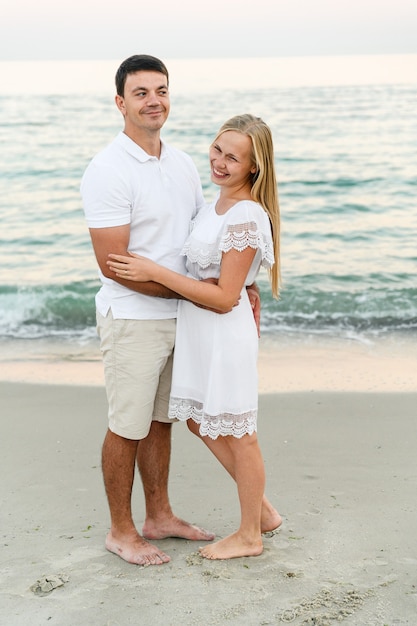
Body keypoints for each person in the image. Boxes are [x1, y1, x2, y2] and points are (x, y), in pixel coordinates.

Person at [107, 113, 282, 560]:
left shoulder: (246, 213)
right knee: (199, 419)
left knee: (240, 432)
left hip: (224, 332)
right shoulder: (214, 206)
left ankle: (249, 535)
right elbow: (223, 274)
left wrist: (153, 271)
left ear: (254, 167)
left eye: (233, 158)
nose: (220, 162)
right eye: (217, 150)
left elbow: (224, 297)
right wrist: (245, 281)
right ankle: (260, 510)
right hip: (198, 331)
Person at [80, 54, 220, 566]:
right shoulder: (108, 169)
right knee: (127, 424)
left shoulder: (182, 162)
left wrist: (231, 282)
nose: (153, 100)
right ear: (120, 102)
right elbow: (114, 264)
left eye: (161, 90)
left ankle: (158, 515)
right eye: (141, 92)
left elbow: (199, 238)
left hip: (177, 313)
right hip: (132, 318)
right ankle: (121, 530)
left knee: (160, 420)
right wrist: (187, 292)